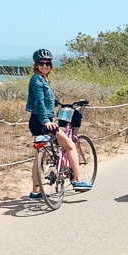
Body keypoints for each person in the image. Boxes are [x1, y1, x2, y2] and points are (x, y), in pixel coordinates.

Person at [25, 48, 91, 199]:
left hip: (37, 121)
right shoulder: (37, 80)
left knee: (38, 158)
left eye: (47, 63)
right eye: (41, 63)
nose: (45, 66)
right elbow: (40, 101)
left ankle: (36, 191)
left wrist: (55, 103)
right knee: (70, 146)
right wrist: (46, 121)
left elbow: (44, 99)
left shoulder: (42, 79)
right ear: (36, 65)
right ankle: (79, 181)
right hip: (43, 121)